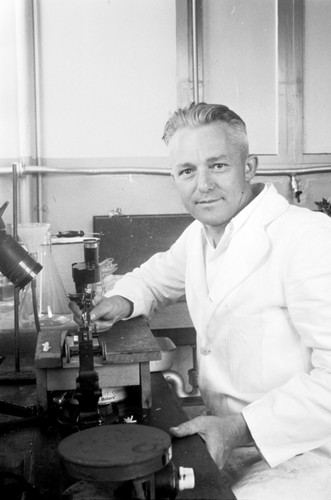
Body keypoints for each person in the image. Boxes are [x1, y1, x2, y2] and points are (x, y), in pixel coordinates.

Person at [71, 103, 331, 499]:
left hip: (305, 453)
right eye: (187, 170)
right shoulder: (200, 235)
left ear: (250, 167)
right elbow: (153, 280)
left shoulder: (308, 239)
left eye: (219, 165)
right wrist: (120, 301)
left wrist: (238, 428)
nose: (203, 184)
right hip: (227, 437)